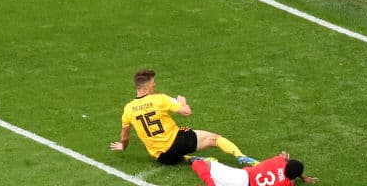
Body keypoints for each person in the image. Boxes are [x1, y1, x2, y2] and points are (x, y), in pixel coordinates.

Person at [110, 69, 258, 166]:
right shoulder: (160, 99)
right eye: (153, 83)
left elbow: (124, 137)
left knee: (181, 137)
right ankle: (241, 156)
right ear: (147, 87)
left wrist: (123, 146)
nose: (155, 85)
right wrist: (182, 101)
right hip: (177, 143)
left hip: (162, 158)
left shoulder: (128, 109)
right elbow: (186, 112)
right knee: (215, 139)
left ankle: (190, 159)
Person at [150, 151, 317, 186]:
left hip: (241, 177)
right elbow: (291, 175)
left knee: (200, 163)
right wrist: (303, 178)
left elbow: (285, 160)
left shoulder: (278, 161)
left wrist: (286, 161)